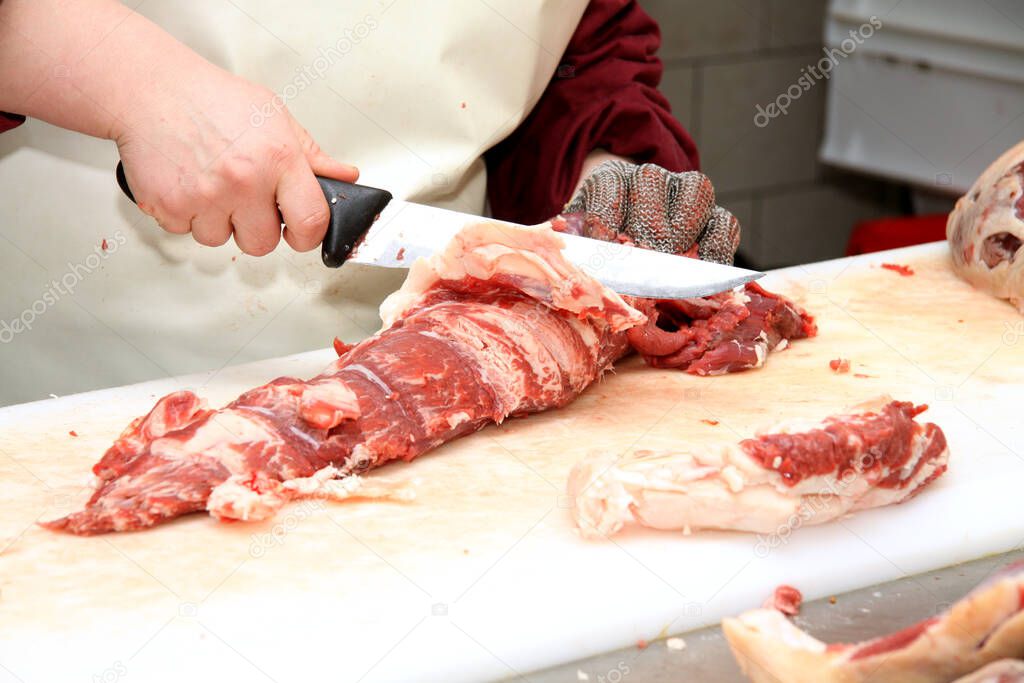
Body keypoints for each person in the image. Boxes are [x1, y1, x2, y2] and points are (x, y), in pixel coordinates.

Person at [0, 0, 737, 405]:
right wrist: (132, 80)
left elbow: (583, 50)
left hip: (444, 378)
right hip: (90, 382)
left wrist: (598, 181)